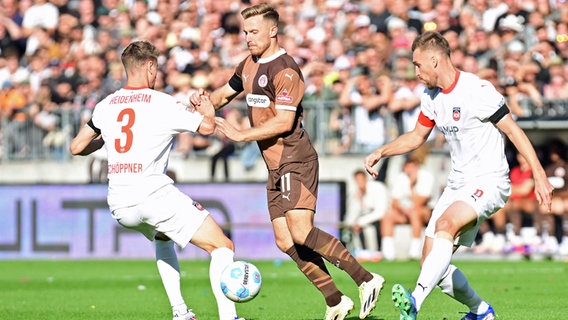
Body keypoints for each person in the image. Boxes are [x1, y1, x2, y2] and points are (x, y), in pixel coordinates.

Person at [190, 4, 384, 320]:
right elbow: (224, 94)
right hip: (274, 166)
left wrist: (241, 135)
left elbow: (283, 121)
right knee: (285, 240)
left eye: (253, 32)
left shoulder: (286, 70)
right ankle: (335, 300)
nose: (247, 37)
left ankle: (366, 278)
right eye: (245, 32)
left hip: (296, 158)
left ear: (273, 30)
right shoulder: (248, 65)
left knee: (302, 231)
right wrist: (202, 102)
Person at [364, 31, 553, 320]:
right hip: (458, 183)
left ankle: (414, 302)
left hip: (489, 180)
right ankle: (481, 312)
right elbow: (417, 136)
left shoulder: (477, 90)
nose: (415, 72)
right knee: (430, 263)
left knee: (446, 224)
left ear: (435, 60)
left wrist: (539, 175)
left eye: (418, 65)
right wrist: (383, 151)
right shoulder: (431, 97)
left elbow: (513, 131)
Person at [69, 40, 244, 320]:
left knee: (163, 238)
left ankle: (180, 312)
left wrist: (104, 142)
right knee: (222, 246)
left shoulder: (106, 104)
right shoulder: (162, 102)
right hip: (152, 194)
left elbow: (77, 146)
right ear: (150, 66)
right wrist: (208, 109)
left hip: (120, 204)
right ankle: (229, 317)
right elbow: (208, 128)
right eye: (157, 68)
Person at [381, 155, 435, 261]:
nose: (409, 170)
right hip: (405, 211)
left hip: (426, 213)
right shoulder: (400, 178)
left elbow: (420, 202)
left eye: (412, 167)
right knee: (388, 216)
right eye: (407, 167)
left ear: (417, 167)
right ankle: (388, 254)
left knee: (415, 213)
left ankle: (414, 252)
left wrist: (411, 186)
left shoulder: (426, 177)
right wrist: (403, 209)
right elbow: (394, 201)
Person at [343, 169, 389, 261]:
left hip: (382, 218)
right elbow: (353, 214)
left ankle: (380, 253)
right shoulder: (355, 193)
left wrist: (361, 222)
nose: (359, 183)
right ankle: (363, 252)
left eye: (361, 179)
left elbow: (381, 211)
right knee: (355, 226)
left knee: (372, 224)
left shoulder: (378, 188)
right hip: (365, 219)